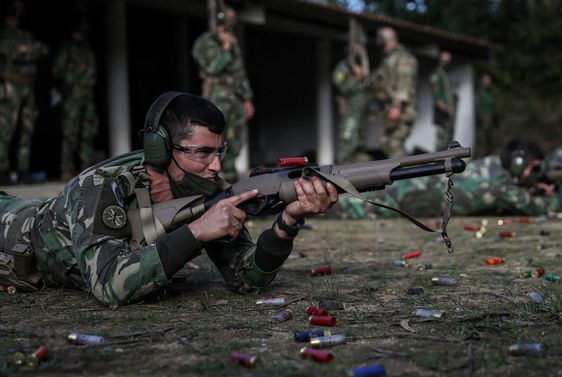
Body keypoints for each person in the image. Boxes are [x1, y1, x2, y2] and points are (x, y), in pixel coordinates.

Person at [0, 92, 338, 307]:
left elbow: (244, 277)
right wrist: (197, 232)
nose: (217, 165)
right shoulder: (103, 186)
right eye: (203, 152)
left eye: (219, 151)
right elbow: (108, 285)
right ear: (160, 148)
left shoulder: (203, 187)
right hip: (13, 231)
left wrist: (286, 224)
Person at [335, 139, 562, 218]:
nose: (532, 174)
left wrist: (534, 186)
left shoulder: (493, 165)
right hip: (410, 198)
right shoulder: (501, 186)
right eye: (532, 168)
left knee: (353, 196)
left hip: (416, 191)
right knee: (346, 205)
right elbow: (543, 210)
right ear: (520, 163)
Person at [192, 6, 254, 181]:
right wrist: (225, 49)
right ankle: (210, 179)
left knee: (236, 142)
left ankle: (230, 178)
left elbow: (239, 72)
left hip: (235, 99)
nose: (231, 23)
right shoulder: (205, 42)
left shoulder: (233, 41)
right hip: (216, 98)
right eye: (229, 19)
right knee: (214, 140)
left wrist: (247, 98)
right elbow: (212, 68)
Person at [0, 0, 48, 184]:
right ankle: (2, 170)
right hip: (10, 86)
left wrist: (29, 50)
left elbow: (42, 50)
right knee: (5, 129)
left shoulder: (25, 36)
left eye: (18, 13)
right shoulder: (4, 36)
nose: (15, 17)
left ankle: (22, 170)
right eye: (13, 13)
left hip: (27, 87)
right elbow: (10, 52)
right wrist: (26, 52)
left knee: (28, 129)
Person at [52, 17, 98, 182]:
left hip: (87, 95)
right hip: (72, 96)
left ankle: (86, 168)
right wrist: (71, 75)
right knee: (70, 133)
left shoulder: (87, 49)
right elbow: (57, 70)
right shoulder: (67, 49)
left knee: (88, 133)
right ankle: (66, 169)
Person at [371, 27, 418, 158]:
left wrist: (397, 107)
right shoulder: (388, 58)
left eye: (379, 38)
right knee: (386, 143)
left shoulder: (402, 57)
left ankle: (407, 175)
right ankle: (405, 173)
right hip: (388, 108)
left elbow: (405, 84)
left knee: (395, 144)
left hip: (402, 110)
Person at [332, 42, 370, 163]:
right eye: (356, 52)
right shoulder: (343, 67)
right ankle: (342, 167)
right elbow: (339, 85)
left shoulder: (361, 67)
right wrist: (355, 79)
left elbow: (367, 88)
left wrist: (371, 111)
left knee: (361, 141)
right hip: (350, 110)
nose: (359, 54)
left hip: (361, 110)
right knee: (348, 140)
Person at [430, 50, 455, 151]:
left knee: (448, 136)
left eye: (448, 60)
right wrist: (441, 104)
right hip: (442, 110)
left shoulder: (445, 74)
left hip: (448, 109)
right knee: (441, 136)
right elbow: (435, 90)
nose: (447, 62)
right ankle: (438, 158)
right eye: (445, 59)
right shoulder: (437, 74)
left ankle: (445, 157)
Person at [476, 73, 496, 155]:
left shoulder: (490, 94)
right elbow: (477, 109)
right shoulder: (480, 94)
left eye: (489, 80)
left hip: (491, 122)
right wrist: (481, 120)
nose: (488, 82)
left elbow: (493, 108)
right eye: (486, 80)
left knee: (490, 144)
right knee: (482, 145)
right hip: (483, 123)